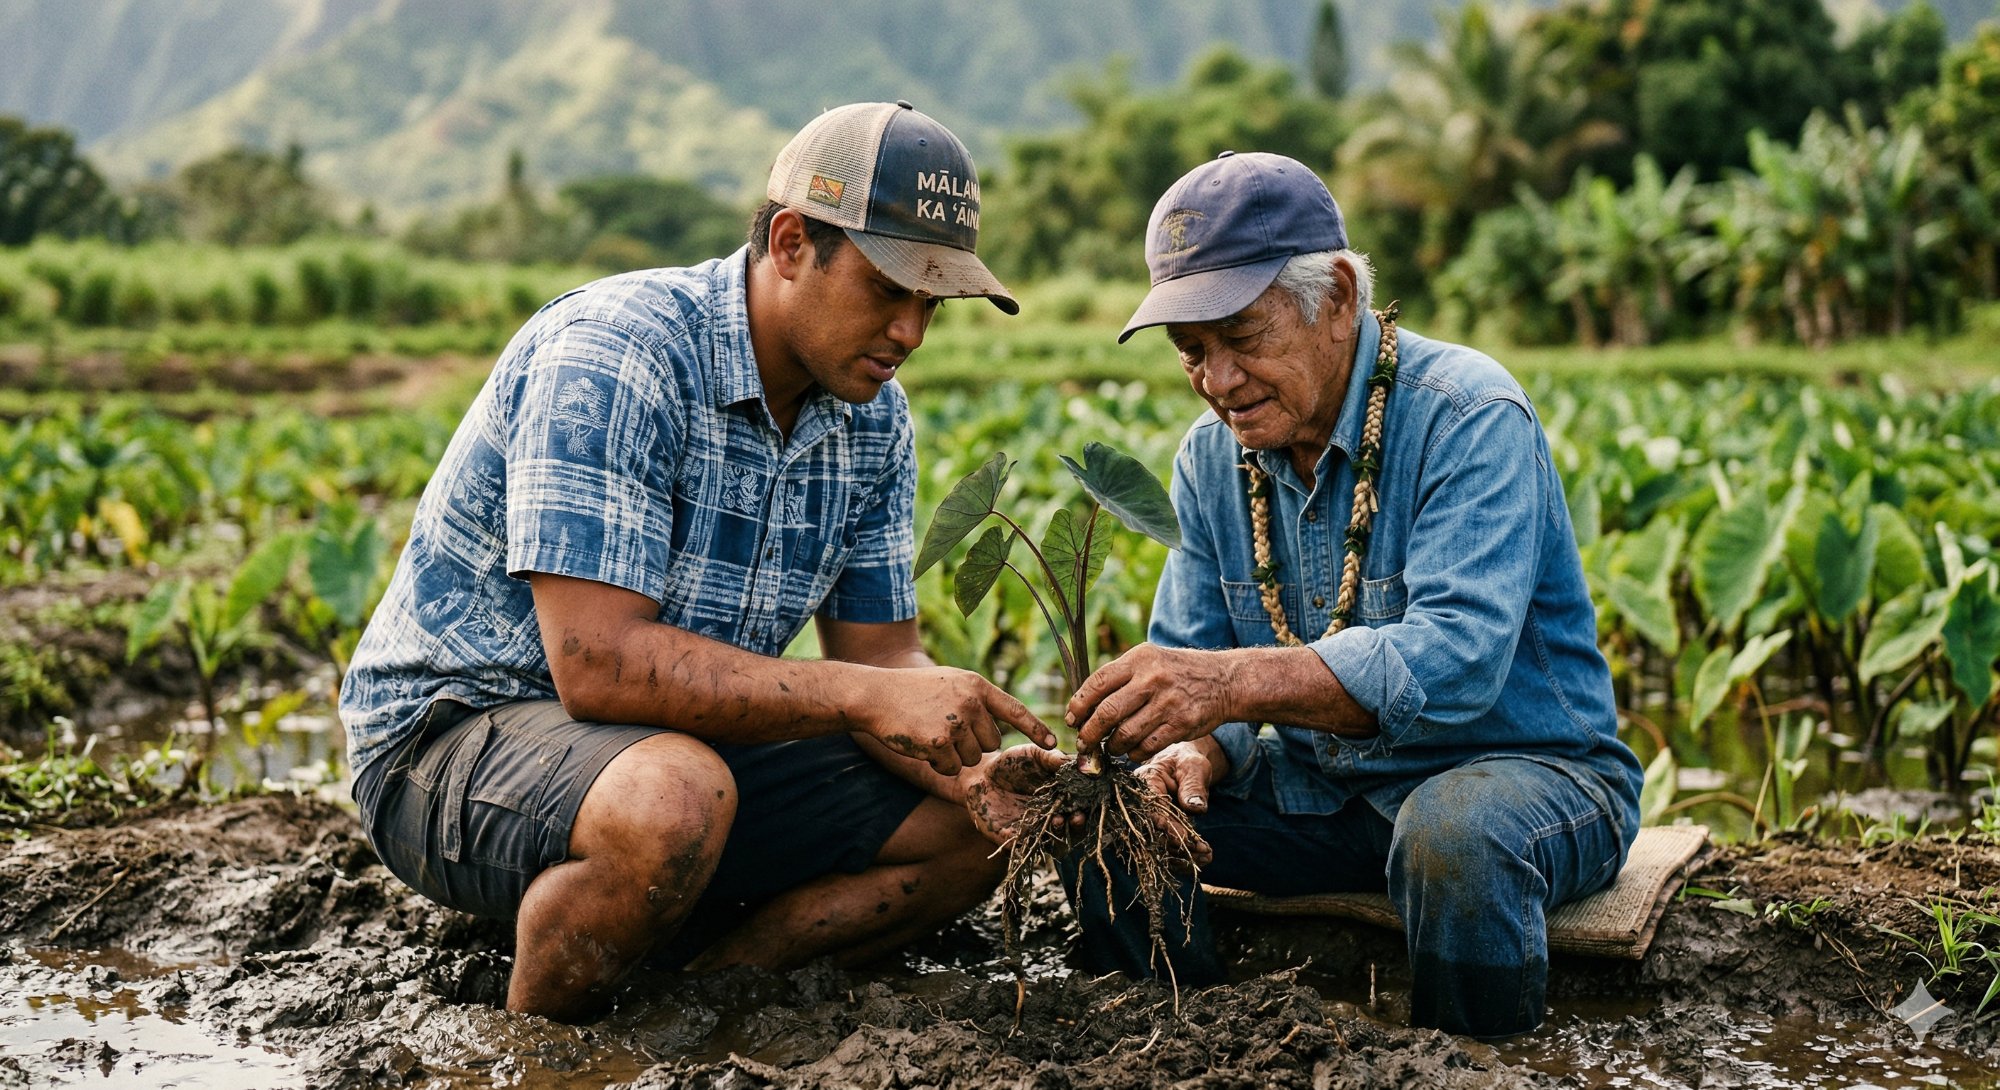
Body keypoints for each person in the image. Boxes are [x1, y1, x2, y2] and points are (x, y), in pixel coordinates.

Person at [338, 101, 1058, 1022]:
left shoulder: (873, 417)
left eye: (933, 303)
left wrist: (979, 773)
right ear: (793, 243)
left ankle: (704, 997)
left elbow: (882, 658)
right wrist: (861, 696)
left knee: (982, 827)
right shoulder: (617, 353)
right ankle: (542, 1054)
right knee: (671, 798)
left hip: (683, 753)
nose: (911, 332)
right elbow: (596, 666)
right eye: (890, 289)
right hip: (451, 740)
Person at [1052, 151, 1644, 1038]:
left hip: (1525, 773)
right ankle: (1192, 1050)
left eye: (1242, 339)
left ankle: (1469, 1061)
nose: (1217, 383)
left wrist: (1228, 687)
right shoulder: (1212, 459)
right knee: (1105, 820)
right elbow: (1199, 675)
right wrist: (1193, 754)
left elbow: (1457, 663)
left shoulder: (1467, 413)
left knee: (1455, 837)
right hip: (1323, 796)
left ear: (1335, 297)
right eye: (1192, 353)